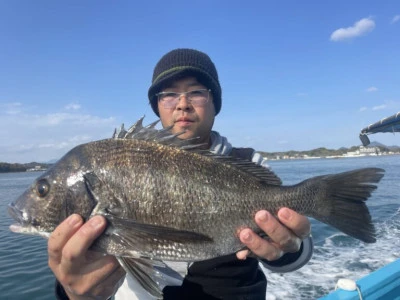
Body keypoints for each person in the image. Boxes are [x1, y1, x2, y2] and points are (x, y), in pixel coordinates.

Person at [50, 48, 313, 300]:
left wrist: (287, 249)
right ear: (157, 105)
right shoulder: (123, 163)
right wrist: (75, 293)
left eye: (196, 92)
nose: (183, 105)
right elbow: (96, 280)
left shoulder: (247, 163)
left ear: (214, 102)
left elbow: (297, 251)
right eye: (169, 94)